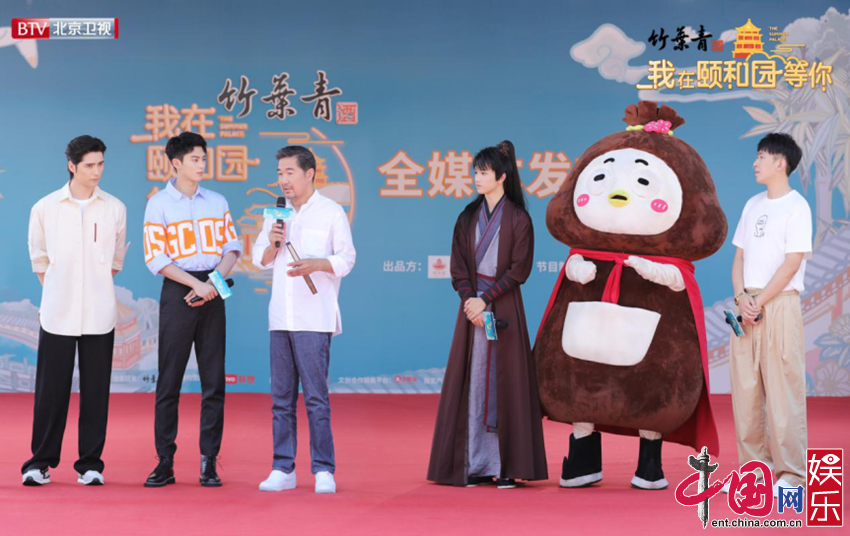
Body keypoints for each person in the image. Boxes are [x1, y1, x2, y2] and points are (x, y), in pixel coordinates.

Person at [427, 141, 548, 488]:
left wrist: (486, 299)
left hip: (504, 305)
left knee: (505, 382)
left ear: (502, 176)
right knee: (473, 381)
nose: (476, 178)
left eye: (483, 172)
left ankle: (506, 464)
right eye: (475, 172)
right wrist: (470, 300)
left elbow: (519, 270)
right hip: (472, 311)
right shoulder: (467, 217)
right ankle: (475, 463)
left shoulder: (519, 219)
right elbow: (458, 268)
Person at [22, 135, 127, 486]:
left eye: (100, 164)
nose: (96, 172)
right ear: (71, 165)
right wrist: (60, 291)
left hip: (100, 313)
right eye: (89, 165)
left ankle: (91, 465)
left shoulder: (114, 208)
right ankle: (39, 463)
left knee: (96, 392)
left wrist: (92, 289)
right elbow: (40, 261)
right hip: (57, 313)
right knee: (50, 392)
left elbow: (115, 262)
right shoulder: (45, 208)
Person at [253, 146, 355, 494]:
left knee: (315, 398)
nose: (283, 180)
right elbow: (260, 258)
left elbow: (347, 258)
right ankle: (282, 468)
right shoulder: (275, 213)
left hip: (314, 317)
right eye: (279, 173)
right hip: (280, 318)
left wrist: (318, 263)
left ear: (309, 173)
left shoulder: (331, 212)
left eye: (290, 172)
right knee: (281, 399)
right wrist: (272, 244)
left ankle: (323, 469)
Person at [142, 132, 242, 487]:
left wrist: (212, 283)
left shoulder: (217, 201)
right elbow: (155, 257)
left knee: (214, 380)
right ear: (176, 163)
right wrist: (194, 285)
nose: (201, 165)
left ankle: (208, 462)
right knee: (169, 380)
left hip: (213, 289)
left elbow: (232, 248)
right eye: (195, 159)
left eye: (204, 158)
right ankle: (165, 461)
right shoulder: (158, 204)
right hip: (178, 289)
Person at [725, 132, 812, 496]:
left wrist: (759, 301)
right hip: (746, 306)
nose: (755, 163)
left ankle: (791, 476)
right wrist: (741, 297)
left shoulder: (797, 207)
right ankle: (754, 473)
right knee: (745, 394)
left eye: (761, 157)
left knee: (782, 392)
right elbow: (739, 257)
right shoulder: (752, 204)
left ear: (781, 162)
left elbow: (792, 263)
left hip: (779, 305)